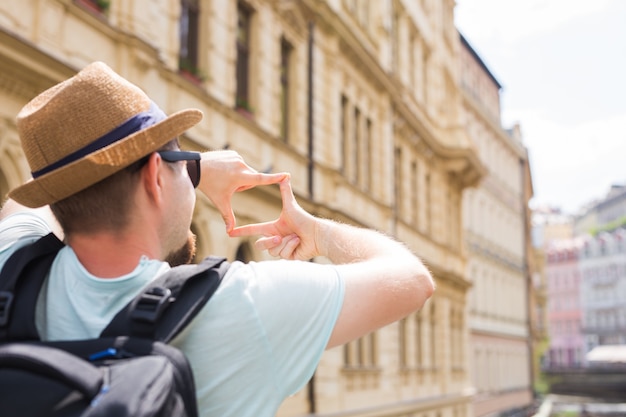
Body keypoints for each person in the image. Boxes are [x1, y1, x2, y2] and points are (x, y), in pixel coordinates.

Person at [0, 62, 434, 417]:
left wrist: (186, 169)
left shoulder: (12, 266)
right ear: (154, 176)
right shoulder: (242, 307)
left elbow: (30, 207)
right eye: (181, 161)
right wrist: (317, 231)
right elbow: (412, 279)